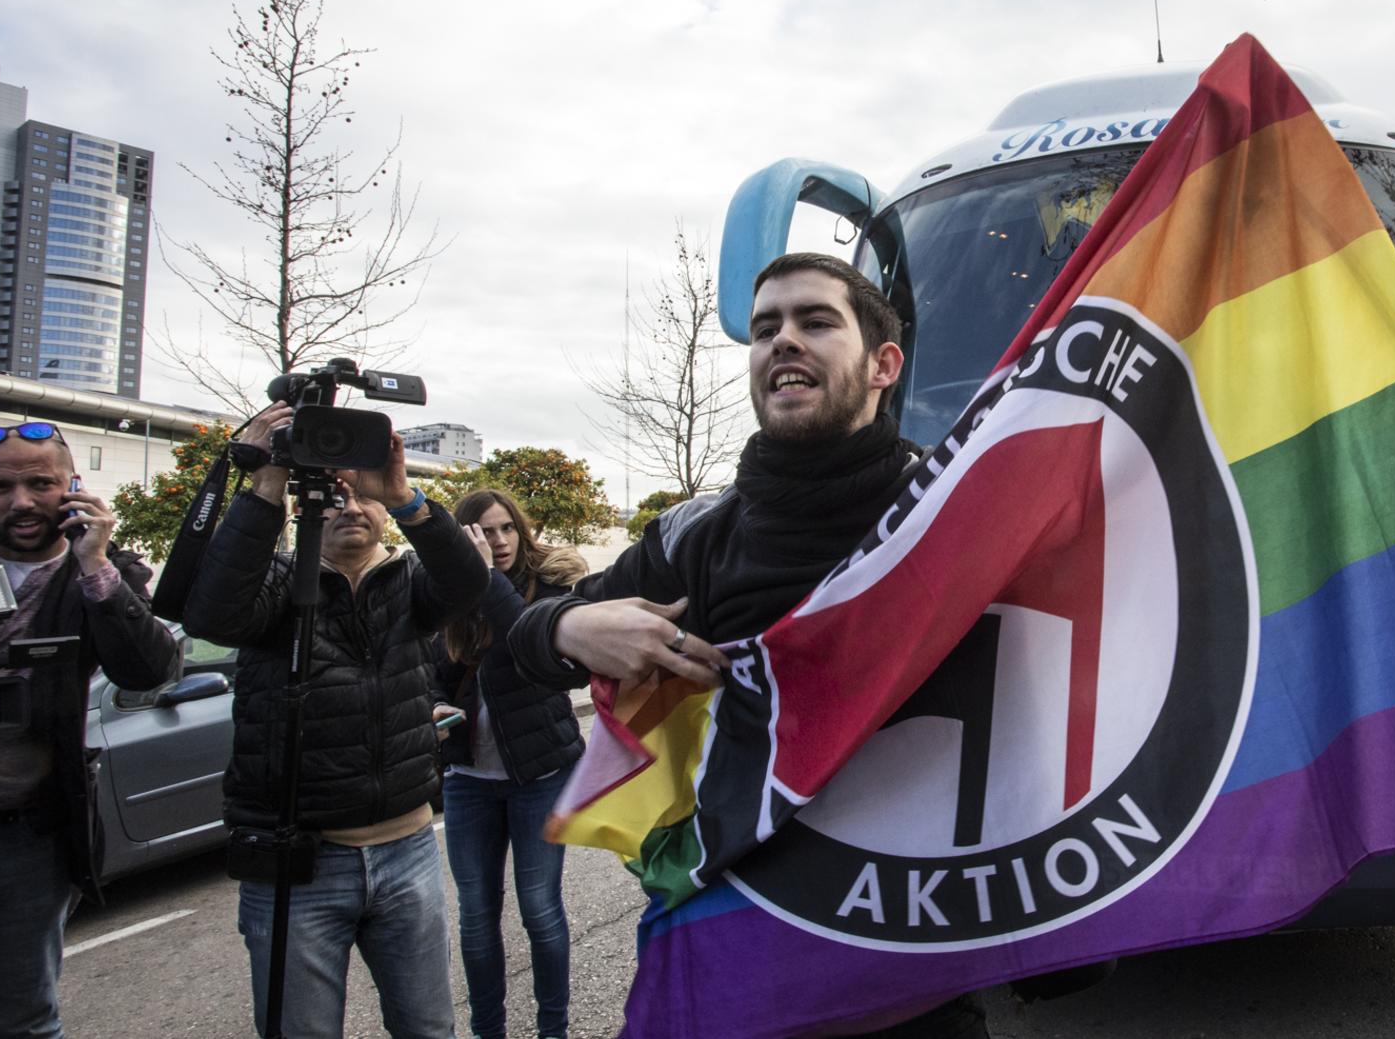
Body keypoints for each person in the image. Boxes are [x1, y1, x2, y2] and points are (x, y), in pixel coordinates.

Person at [508, 252, 991, 1038]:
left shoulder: (956, 514)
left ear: (884, 364)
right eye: (766, 328)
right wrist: (571, 625)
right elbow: (521, 641)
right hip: (744, 955)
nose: (783, 341)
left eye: (815, 321)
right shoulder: (696, 535)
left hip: (915, 969)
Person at [181, 404, 487, 1039]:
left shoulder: (408, 582)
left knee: (429, 1029)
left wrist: (401, 494)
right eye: (333, 496)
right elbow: (210, 614)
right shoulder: (272, 587)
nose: (350, 506)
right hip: (298, 864)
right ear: (305, 506)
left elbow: (467, 583)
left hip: (407, 853)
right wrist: (266, 480)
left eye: (361, 496)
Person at [0, 421, 179, 1038]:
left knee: (21, 1021)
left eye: (41, 483)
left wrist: (94, 566)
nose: (22, 501)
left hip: (16, 839)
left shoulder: (106, 572)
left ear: (73, 486)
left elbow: (149, 670)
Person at [431, 489, 588, 1039]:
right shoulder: (444, 596)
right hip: (468, 780)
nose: (496, 542)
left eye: (504, 529)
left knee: (540, 910)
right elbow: (425, 672)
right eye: (481, 532)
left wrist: (483, 579)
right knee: (475, 916)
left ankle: (553, 1031)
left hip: (540, 775)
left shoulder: (549, 589)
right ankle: (487, 1031)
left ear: (521, 532)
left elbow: (529, 642)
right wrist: (431, 705)